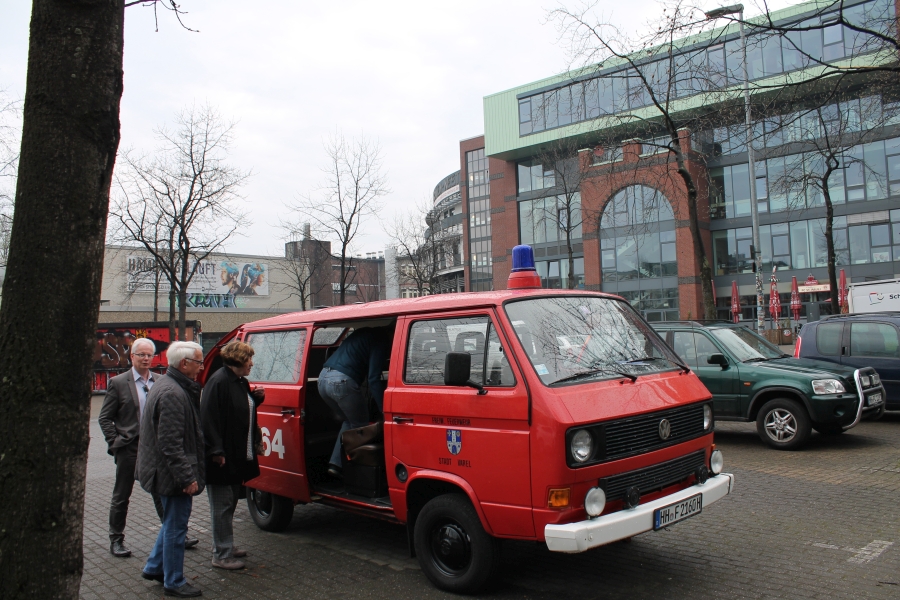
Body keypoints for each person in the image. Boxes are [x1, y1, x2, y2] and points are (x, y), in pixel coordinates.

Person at [98, 338, 198, 558]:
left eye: (149, 355)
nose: (145, 359)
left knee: (161, 491)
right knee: (122, 495)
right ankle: (116, 539)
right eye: (141, 354)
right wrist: (115, 443)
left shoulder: (161, 381)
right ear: (132, 356)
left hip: (154, 447)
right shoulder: (118, 383)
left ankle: (175, 534)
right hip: (129, 448)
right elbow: (105, 417)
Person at [138, 341, 206, 598]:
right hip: (171, 475)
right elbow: (170, 444)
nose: (202, 367)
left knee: (171, 523)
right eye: (199, 362)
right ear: (184, 363)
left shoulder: (167, 385)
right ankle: (174, 581)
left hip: (163, 471)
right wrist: (187, 478)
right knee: (177, 527)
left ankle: (155, 567)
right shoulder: (173, 394)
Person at [199, 341, 265, 570]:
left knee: (229, 503)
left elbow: (238, 409)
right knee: (222, 506)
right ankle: (221, 554)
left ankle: (225, 545)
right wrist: (216, 450)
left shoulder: (239, 382)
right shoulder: (218, 382)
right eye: (249, 359)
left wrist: (255, 399)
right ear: (238, 359)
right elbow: (208, 419)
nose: (251, 364)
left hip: (236, 456)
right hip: (222, 458)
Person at [317, 325, 393, 479]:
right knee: (361, 427)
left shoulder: (364, 333)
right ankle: (359, 474)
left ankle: (336, 464)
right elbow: (373, 378)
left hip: (323, 379)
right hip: (341, 382)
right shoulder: (382, 339)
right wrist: (384, 410)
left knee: (350, 421)